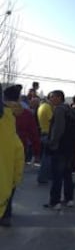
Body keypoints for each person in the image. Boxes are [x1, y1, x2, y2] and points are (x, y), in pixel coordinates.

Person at [43, 90, 75, 210]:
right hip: (70, 147)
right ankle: (69, 199)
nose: (50, 99)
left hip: (59, 147)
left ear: (59, 97)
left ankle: (55, 201)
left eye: (52, 97)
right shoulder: (71, 110)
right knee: (67, 174)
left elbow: (58, 129)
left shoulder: (59, 110)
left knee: (57, 175)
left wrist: (51, 142)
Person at [0, 84, 25, 227]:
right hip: (12, 157)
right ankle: (6, 215)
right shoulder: (20, 113)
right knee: (9, 184)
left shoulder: (7, 114)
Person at [3, 84, 41, 165]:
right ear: (19, 98)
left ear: (4, 97)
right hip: (19, 149)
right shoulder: (26, 114)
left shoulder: (2, 112)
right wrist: (36, 152)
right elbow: (33, 134)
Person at [37, 93, 54, 184]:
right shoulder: (47, 107)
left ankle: (45, 176)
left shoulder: (41, 106)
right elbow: (52, 120)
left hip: (43, 133)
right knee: (47, 158)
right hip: (48, 134)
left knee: (46, 157)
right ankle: (43, 177)